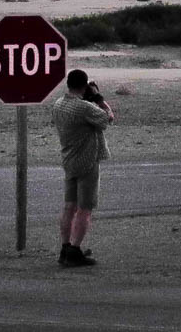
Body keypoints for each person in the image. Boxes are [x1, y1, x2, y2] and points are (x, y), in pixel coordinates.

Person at [51, 68, 114, 268]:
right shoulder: (84, 108)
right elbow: (108, 117)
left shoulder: (58, 105)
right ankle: (75, 251)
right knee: (85, 209)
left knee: (69, 205)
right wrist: (98, 97)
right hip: (86, 161)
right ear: (84, 85)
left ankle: (65, 247)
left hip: (68, 159)